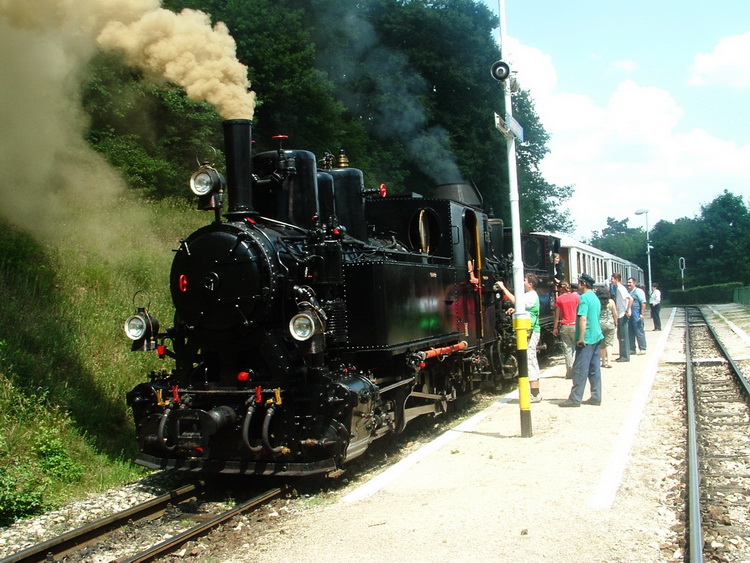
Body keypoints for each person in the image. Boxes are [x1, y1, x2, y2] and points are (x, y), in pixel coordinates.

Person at [496, 273, 542, 402]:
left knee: (530, 359)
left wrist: (503, 288)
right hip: (529, 330)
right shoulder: (530, 295)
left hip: (531, 330)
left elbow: (517, 301)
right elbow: (524, 309)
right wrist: (515, 310)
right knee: (530, 359)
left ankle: (535, 393)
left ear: (530, 284)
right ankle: (534, 392)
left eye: (524, 280)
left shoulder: (531, 296)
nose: (522, 282)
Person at [560, 273, 604, 407]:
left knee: (579, 369)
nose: (577, 286)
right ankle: (596, 397)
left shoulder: (584, 298)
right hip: (597, 336)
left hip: (587, 338)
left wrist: (581, 338)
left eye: (578, 283)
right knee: (594, 369)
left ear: (583, 284)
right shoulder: (595, 298)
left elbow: (583, 318)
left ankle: (575, 399)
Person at [553, 281, 580, 379]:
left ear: (561, 288)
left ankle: (569, 373)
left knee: (567, 350)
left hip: (564, 326)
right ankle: (578, 370)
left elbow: (557, 314)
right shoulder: (576, 297)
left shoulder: (559, 299)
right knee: (578, 348)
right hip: (574, 325)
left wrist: (555, 327)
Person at [610, 273, 633, 362]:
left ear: (616, 279)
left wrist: (627, 310)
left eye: (612, 279)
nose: (611, 280)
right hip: (620, 313)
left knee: (623, 336)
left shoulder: (620, 289)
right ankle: (622, 355)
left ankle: (625, 356)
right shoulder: (618, 288)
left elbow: (630, 299)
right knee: (620, 335)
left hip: (622, 314)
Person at [597, 287, 617, 369]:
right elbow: (615, 313)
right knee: (609, 343)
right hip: (610, 324)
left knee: (602, 344)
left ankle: (603, 362)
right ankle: (609, 361)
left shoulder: (597, 302)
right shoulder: (611, 301)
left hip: (600, 325)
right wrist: (616, 322)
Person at [627, 277, 647, 354]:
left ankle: (642, 348)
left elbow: (643, 303)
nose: (628, 284)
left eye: (630, 282)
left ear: (634, 283)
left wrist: (642, 314)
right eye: (628, 282)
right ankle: (632, 349)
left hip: (637, 313)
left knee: (639, 331)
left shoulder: (639, 291)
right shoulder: (628, 292)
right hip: (630, 314)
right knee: (630, 332)